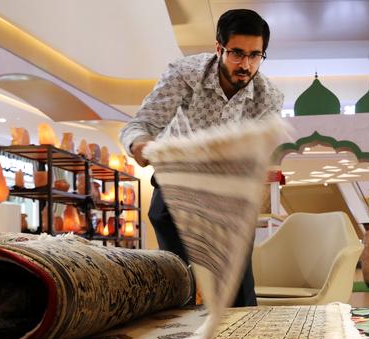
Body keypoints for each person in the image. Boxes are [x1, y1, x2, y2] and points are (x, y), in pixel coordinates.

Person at [120, 9, 284, 307]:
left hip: (227, 195)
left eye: (255, 55)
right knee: (178, 281)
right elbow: (141, 124)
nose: (245, 65)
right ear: (219, 48)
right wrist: (140, 144)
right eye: (237, 53)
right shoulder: (185, 74)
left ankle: (246, 334)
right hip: (176, 186)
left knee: (238, 289)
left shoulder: (268, 98)